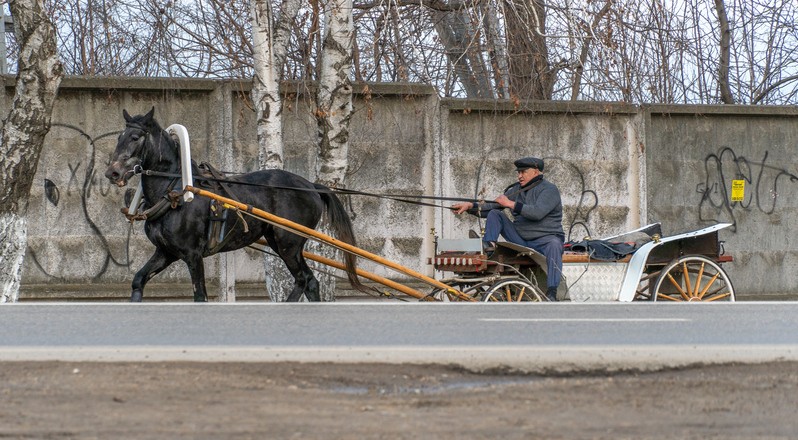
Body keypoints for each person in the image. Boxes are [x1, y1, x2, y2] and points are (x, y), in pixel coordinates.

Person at [451, 156, 564, 301]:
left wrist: (510, 204)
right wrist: (470, 206)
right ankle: (489, 247)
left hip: (544, 240)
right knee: (495, 214)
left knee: (555, 244)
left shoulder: (549, 190)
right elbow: (493, 205)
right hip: (520, 239)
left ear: (536, 172)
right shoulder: (516, 190)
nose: (519, 176)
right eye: (518, 172)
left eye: (523, 172)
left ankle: (552, 292)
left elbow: (537, 212)